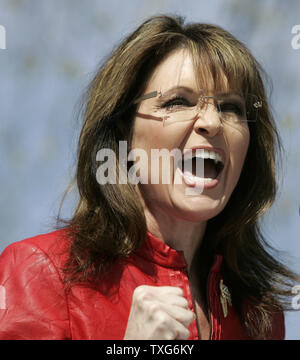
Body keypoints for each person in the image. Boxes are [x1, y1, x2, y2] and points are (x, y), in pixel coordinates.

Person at [0, 15, 298, 340]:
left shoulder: (258, 311)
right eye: (178, 101)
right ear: (124, 134)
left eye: (231, 108)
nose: (212, 122)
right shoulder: (38, 272)